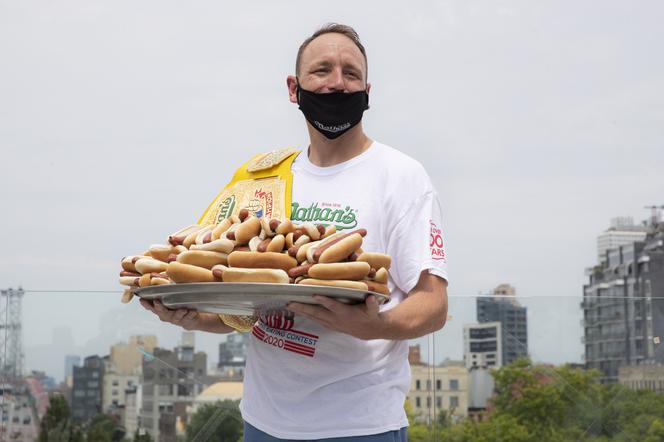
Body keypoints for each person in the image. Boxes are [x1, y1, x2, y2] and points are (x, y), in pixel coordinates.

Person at [140, 23, 449, 441]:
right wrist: (194, 316)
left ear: (367, 91)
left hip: (360, 425)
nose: (337, 84)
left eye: (351, 74)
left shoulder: (401, 176)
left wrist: (372, 326)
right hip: (263, 423)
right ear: (294, 87)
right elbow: (245, 312)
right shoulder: (263, 180)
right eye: (322, 71)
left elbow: (433, 304)